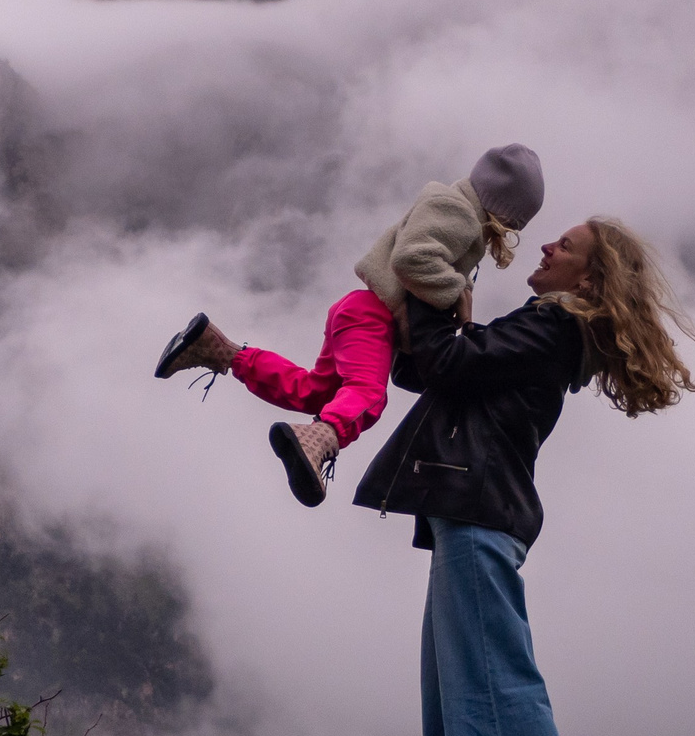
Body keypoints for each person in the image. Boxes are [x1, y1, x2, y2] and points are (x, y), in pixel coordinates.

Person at [353, 216, 695, 736]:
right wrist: (441, 316)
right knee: (464, 689)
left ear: (590, 277)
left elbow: (451, 363)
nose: (548, 246)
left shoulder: (553, 325)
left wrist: (435, 297)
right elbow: (440, 371)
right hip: (472, 514)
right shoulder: (548, 329)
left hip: (477, 511)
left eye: (566, 246)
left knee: (491, 682)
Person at [150, 144, 546, 507]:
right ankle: (318, 438)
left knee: (316, 392)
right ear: (504, 209)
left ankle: (220, 350)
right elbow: (412, 260)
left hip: (358, 311)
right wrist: (457, 293)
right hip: (373, 317)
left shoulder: (454, 209)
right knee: (368, 394)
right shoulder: (458, 214)